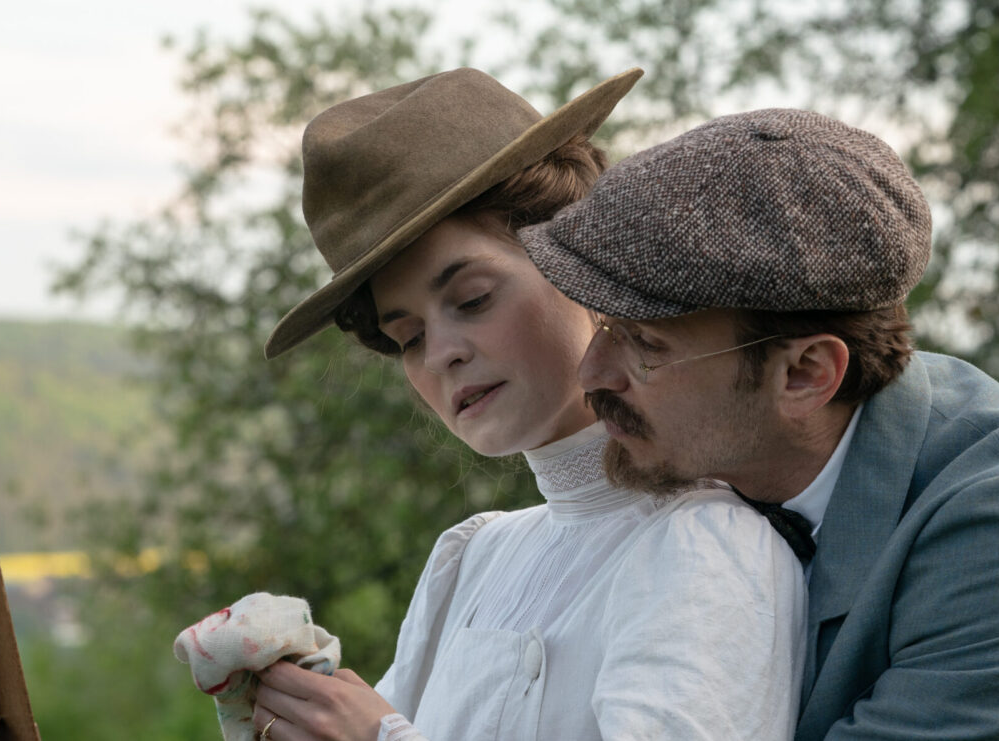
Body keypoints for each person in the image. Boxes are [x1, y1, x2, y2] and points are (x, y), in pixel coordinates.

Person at [520, 108, 999, 740]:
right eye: (604, 326)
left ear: (805, 374)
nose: (591, 375)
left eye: (645, 345)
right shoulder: (743, 466)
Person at [238, 71, 807, 741]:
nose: (442, 352)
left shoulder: (704, 542)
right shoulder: (472, 560)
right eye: (408, 337)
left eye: (473, 298)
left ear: (585, 262)